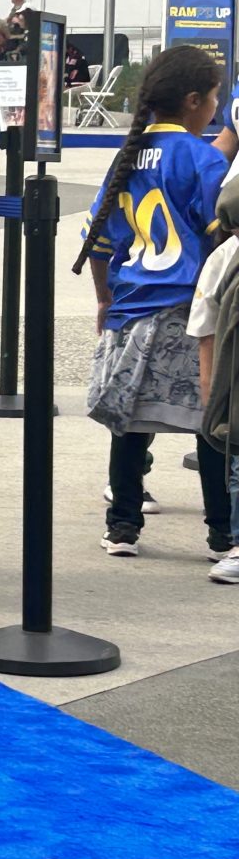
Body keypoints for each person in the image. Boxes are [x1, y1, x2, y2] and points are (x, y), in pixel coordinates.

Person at [74, 44, 231, 559]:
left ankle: (122, 526)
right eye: (214, 97)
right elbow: (217, 236)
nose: (217, 106)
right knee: (211, 420)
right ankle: (224, 534)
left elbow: (98, 241)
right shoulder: (203, 157)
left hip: (131, 305)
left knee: (131, 422)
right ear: (193, 102)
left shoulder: (128, 155)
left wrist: (104, 300)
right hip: (186, 310)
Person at [190, 196, 239, 582]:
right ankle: (231, 538)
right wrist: (209, 387)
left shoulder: (225, 255)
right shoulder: (226, 258)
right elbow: (205, 328)